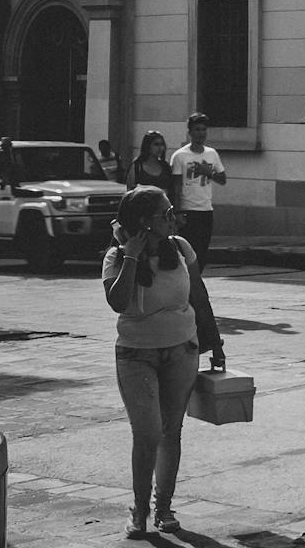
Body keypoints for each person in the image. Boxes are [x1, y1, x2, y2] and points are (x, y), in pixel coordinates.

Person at [102, 185, 217, 539]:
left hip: (182, 349)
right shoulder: (115, 258)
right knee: (148, 433)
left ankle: (163, 506)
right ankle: (139, 510)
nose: (173, 219)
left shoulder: (180, 248)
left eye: (172, 212)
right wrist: (132, 256)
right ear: (142, 222)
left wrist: (215, 342)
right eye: (165, 214)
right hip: (137, 354)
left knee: (172, 431)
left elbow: (198, 294)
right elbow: (118, 302)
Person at [170, 114, 226, 271]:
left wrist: (208, 172)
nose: (201, 133)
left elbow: (222, 179)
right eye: (197, 129)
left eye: (203, 129)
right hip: (188, 210)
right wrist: (177, 212)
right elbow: (176, 186)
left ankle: (196, 283)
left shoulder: (211, 154)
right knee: (187, 251)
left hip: (206, 209)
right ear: (190, 132)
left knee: (202, 252)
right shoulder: (180, 156)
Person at [127, 131, 180, 202]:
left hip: (162, 207)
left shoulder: (166, 167)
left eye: (162, 145)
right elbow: (130, 191)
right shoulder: (137, 166)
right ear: (147, 146)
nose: (160, 148)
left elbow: (172, 191)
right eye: (156, 144)